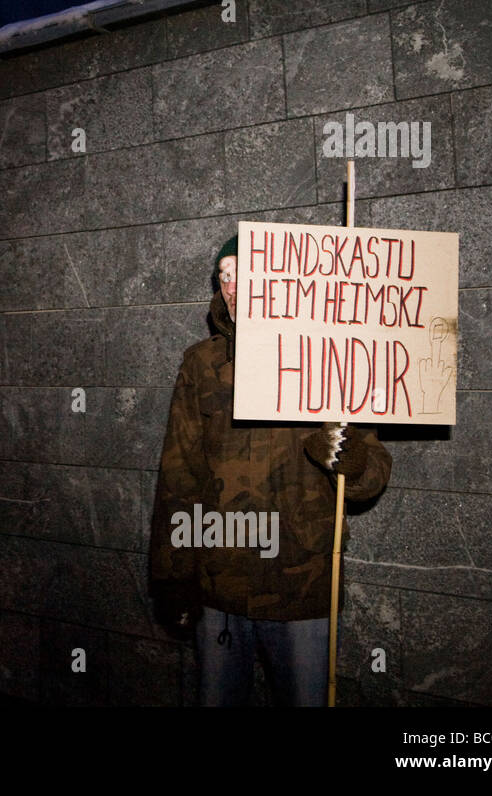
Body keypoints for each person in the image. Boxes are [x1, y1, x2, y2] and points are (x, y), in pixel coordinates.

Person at [149, 236, 391, 706]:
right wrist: (174, 576)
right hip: (218, 580)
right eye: (225, 276)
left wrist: (350, 460)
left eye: (245, 272)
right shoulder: (202, 363)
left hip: (301, 585)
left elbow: (372, 468)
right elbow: (178, 475)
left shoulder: (328, 357)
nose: (233, 286)